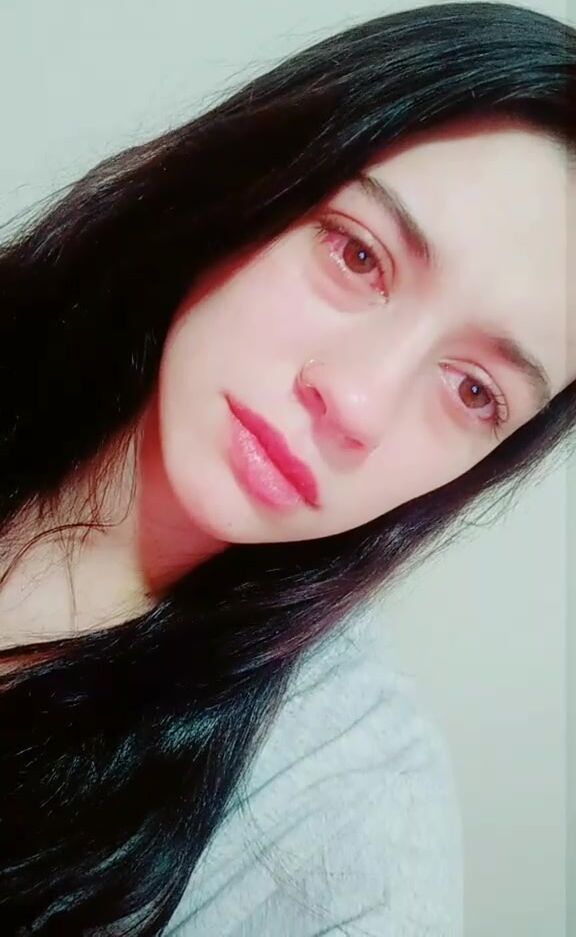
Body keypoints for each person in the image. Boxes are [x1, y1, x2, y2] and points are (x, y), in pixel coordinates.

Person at [0, 1, 574, 933]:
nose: (356, 402)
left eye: (475, 391)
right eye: (358, 255)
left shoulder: (340, 823)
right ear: (259, 180)